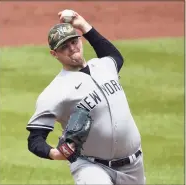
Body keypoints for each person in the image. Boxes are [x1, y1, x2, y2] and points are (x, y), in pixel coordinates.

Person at [26, 10, 146, 185]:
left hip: (133, 165)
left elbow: (115, 56)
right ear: (54, 54)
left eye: (74, 41)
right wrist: (55, 153)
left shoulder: (104, 65)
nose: (72, 48)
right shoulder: (55, 92)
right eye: (64, 46)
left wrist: (83, 25)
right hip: (91, 166)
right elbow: (35, 139)